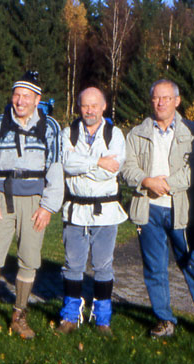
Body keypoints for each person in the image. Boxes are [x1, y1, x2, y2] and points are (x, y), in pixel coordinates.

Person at [120, 79, 194, 339]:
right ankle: (164, 320)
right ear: (151, 100)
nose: (161, 102)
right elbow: (127, 167)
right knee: (154, 269)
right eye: (156, 98)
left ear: (177, 101)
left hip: (182, 211)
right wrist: (146, 181)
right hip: (148, 210)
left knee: (193, 267)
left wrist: (165, 184)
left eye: (166, 98)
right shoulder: (137, 133)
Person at [0, 71, 63, 339]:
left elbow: (56, 170)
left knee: (29, 258)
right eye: (16, 95)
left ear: (37, 99)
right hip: (1, 199)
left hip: (35, 202)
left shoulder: (50, 127)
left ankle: (19, 314)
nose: (20, 101)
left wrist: (48, 207)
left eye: (26, 96)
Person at [56, 87, 127, 336]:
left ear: (104, 106)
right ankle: (70, 316)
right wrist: (97, 161)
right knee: (72, 265)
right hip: (75, 209)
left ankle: (103, 319)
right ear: (79, 106)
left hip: (105, 210)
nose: (90, 110)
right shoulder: (69, 133)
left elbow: (112, 170)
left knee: (103, 266)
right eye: (85, 105)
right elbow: (66, 163)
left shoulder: (115, 134)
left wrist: (84, 166)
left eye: (94, 105)